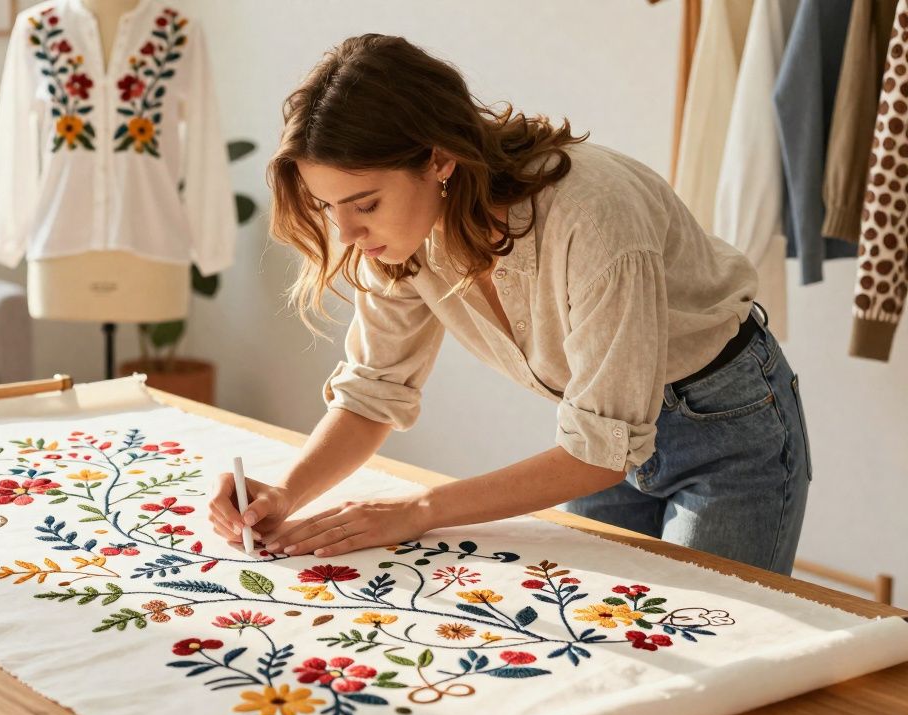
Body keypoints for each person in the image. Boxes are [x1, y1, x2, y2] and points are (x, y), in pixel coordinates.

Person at [207, 34, 811, 575]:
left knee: (712, 641)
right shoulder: (405, 236)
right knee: (602, 634)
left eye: (364, 204)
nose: (347, 235)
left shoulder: (594, 220)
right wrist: (284, 494)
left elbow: (597, 455)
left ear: (439, 158)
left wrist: (421, 508)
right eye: (327, 206)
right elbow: (372, 394)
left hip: (728, 427)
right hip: (597, 437)